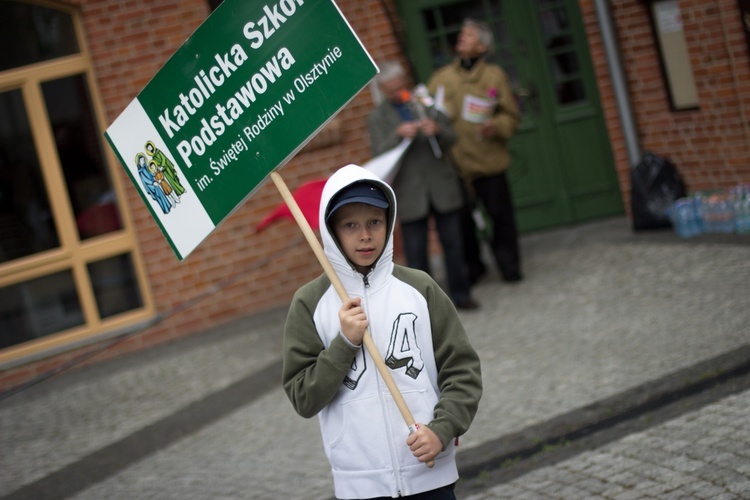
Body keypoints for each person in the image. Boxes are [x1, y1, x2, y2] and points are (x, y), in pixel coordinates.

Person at [282, 164, 482, 499]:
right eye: (350, 225)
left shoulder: (419, 288)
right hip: (360, 483)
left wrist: (442, 429)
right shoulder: (310, 303)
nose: (365, 235)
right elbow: (303, 398)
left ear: (388, 222)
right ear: (331, 231)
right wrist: (344, 343)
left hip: (429, 472)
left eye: (374, 222)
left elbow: (462, 370)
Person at [367, 60, 479, 310]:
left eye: (401, 86)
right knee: (417, 254)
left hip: (441, 185)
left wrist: (436, 129)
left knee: (454, 244)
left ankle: (461, 294)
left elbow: (452, 137)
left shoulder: (423, 101)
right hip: (410, 192)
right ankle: (425, 304)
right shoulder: (378, 117)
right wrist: (397, 134)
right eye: (393, 90)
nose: (399, 93)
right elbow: (378, 153)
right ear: (384, 90)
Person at [428, 19, 523, 283]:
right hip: (456, 167)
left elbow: (512, 118)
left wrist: (497, 125)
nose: (461, 38)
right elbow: (428, 110)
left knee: (501, 219)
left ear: (482, 46)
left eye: (468, 35)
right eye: (461, 34)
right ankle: (474, 268)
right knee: (463, 224)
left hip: (488, 164)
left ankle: (510, 266)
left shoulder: (494, 76)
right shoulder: (441, 78)